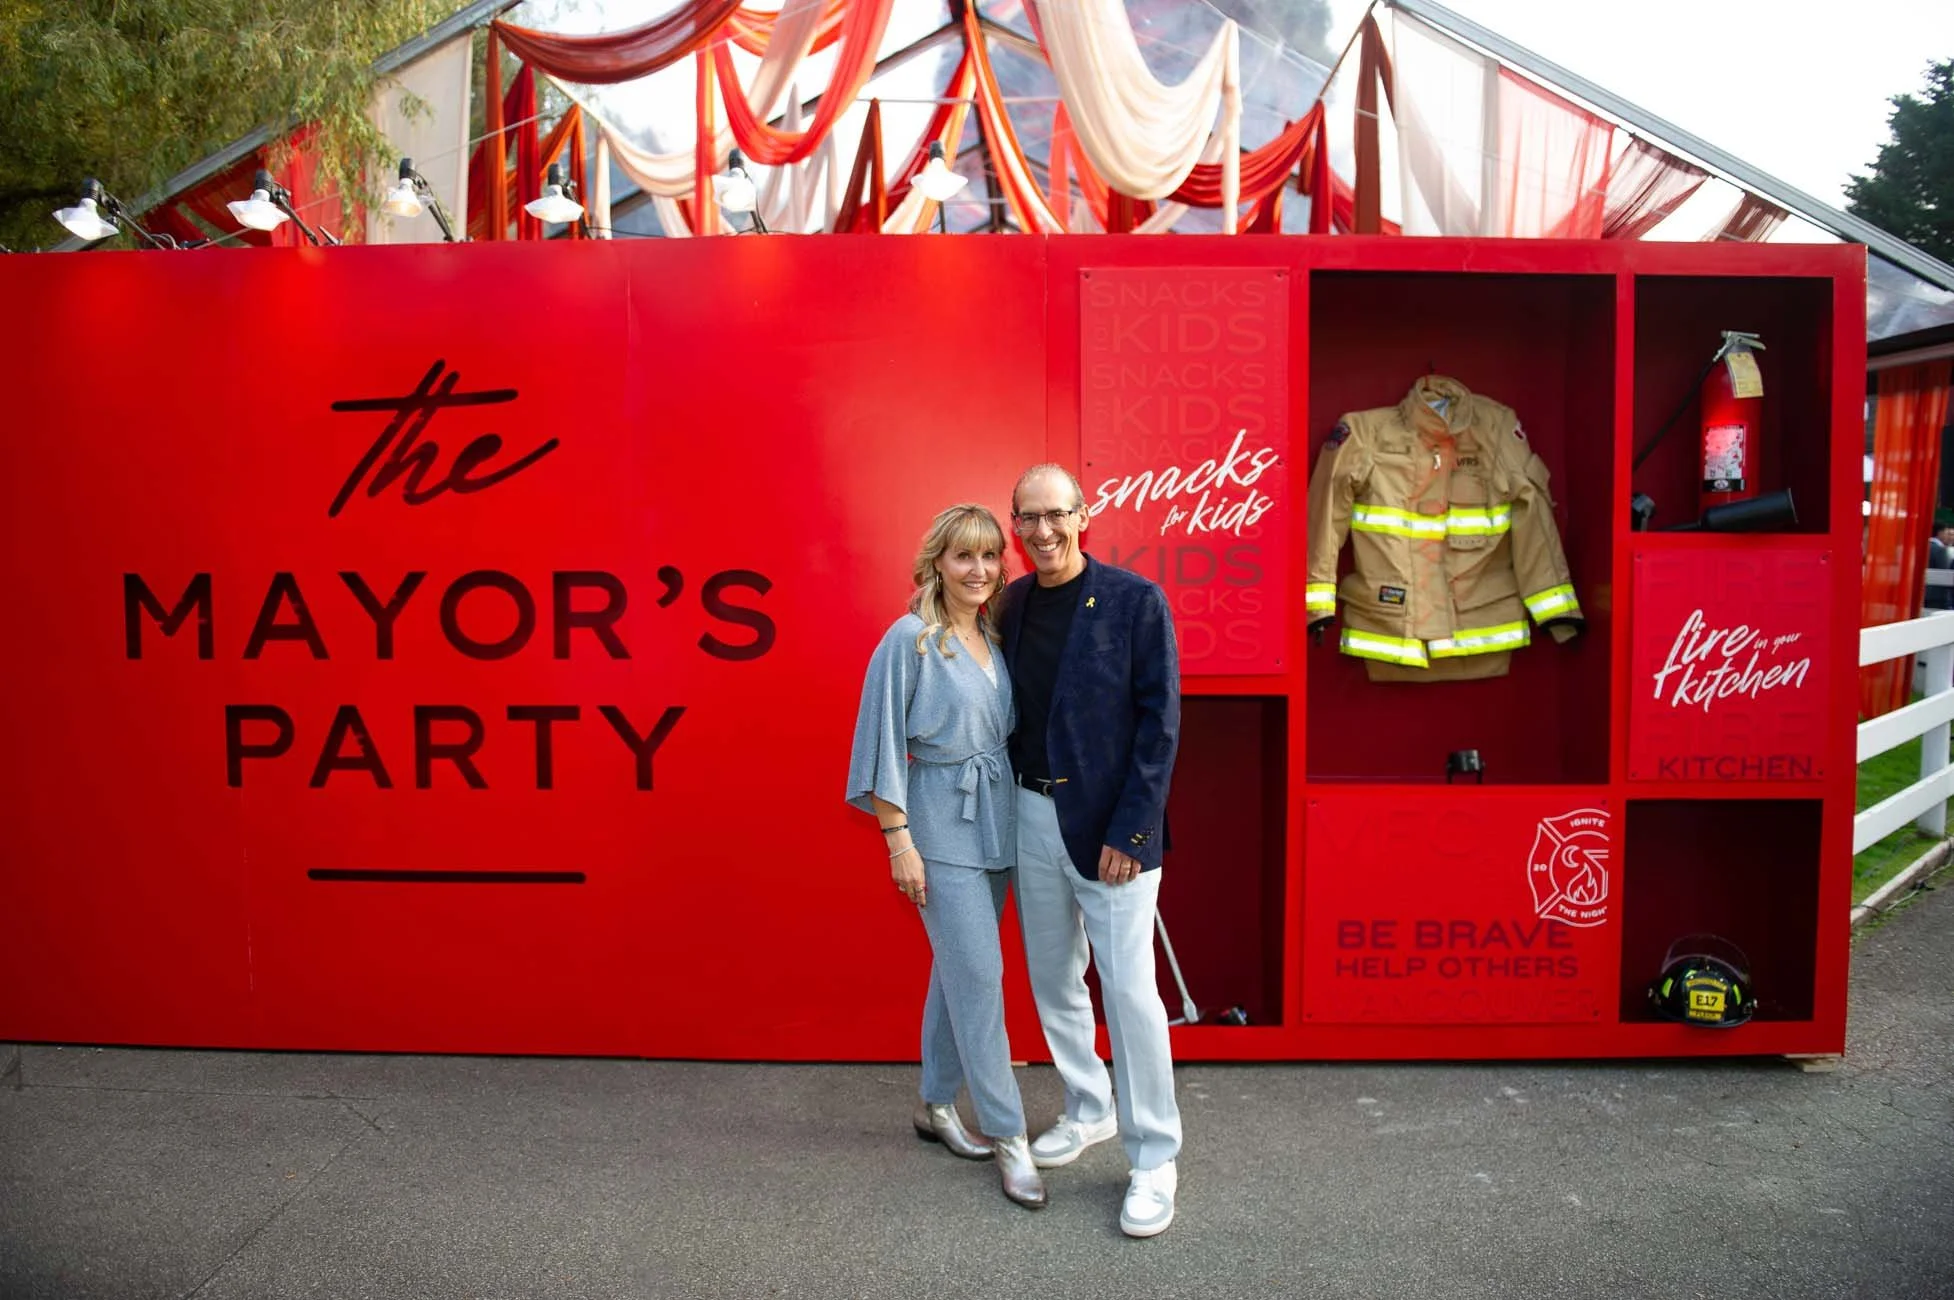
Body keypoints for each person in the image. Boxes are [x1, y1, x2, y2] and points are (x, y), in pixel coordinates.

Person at [998, 463, 1183, 1238]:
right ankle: (1089, 1105)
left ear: (1083, 516)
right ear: (1016, 527)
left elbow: (1159, 724)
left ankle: (1155, 1159)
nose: (1043, 531)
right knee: (1052, 976)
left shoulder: (1136, 601)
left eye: (1056, 515)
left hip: (1112, 831)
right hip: (1030, 813)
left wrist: (1132, 832)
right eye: (1028, 518)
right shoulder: (1009, 604)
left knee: (1130, 993)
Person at [846, 503, 1046, 1210]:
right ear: (937, 562)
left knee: (958, 971)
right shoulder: (909, 639)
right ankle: (1009, 1134)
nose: (979, 569)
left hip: (997, 823)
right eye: (964, 555)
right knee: (982, 977)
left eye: (990, 555)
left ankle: (935, 1103)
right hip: (938, 828)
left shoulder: (991, 633)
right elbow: (878, 744)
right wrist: (899, 841)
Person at [1927, 515, 1954, 611]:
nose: (1948, 536)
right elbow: (1944, 572)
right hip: (1936, 595)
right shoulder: (1940, 550)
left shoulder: (1924, 545)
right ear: (1940, 533)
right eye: (1947, 533)